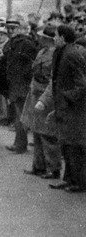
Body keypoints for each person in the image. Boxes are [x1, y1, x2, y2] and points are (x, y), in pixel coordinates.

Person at [46, 25, 86, 193]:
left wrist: (67, 97)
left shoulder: (72, 54)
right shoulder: (61, 52)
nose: (54, 39)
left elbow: (82, 84)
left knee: (74, 146)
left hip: (74, 109)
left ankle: (78, 183)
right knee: (66, 144)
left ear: (62, 37)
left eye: (55, 36)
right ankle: (69, 179)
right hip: (64, 107)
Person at [20, 25, 60, 179]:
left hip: (45, 96)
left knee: (47, 134)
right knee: (37, 131)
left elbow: (50, 78)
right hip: (35, 92)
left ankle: (53, 168)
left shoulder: (54, 54)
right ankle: (38, 166)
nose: (39, 38)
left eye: (42, 36)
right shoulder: (42, 52)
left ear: (47, 39)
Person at [0, 17, 39, 154]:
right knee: (18, 115)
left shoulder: (26, 43)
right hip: (14, 83)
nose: (10, 31)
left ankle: (21, 144)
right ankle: (19, 142)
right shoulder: (11, 43)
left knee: (21, 115)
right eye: (8, 28)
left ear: (21, 29)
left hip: (22, 84)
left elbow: (32, 64)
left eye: (13, 28)